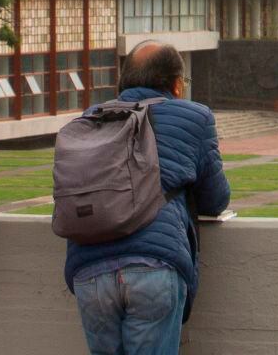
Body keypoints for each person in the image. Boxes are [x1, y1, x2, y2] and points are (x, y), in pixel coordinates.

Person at [65, 42, 231, 355]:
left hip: (90, 271)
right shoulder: (196, 118)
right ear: (177, 84)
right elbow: (215, 198)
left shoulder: (90, 118)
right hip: (154, 267)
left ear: (123, 81)